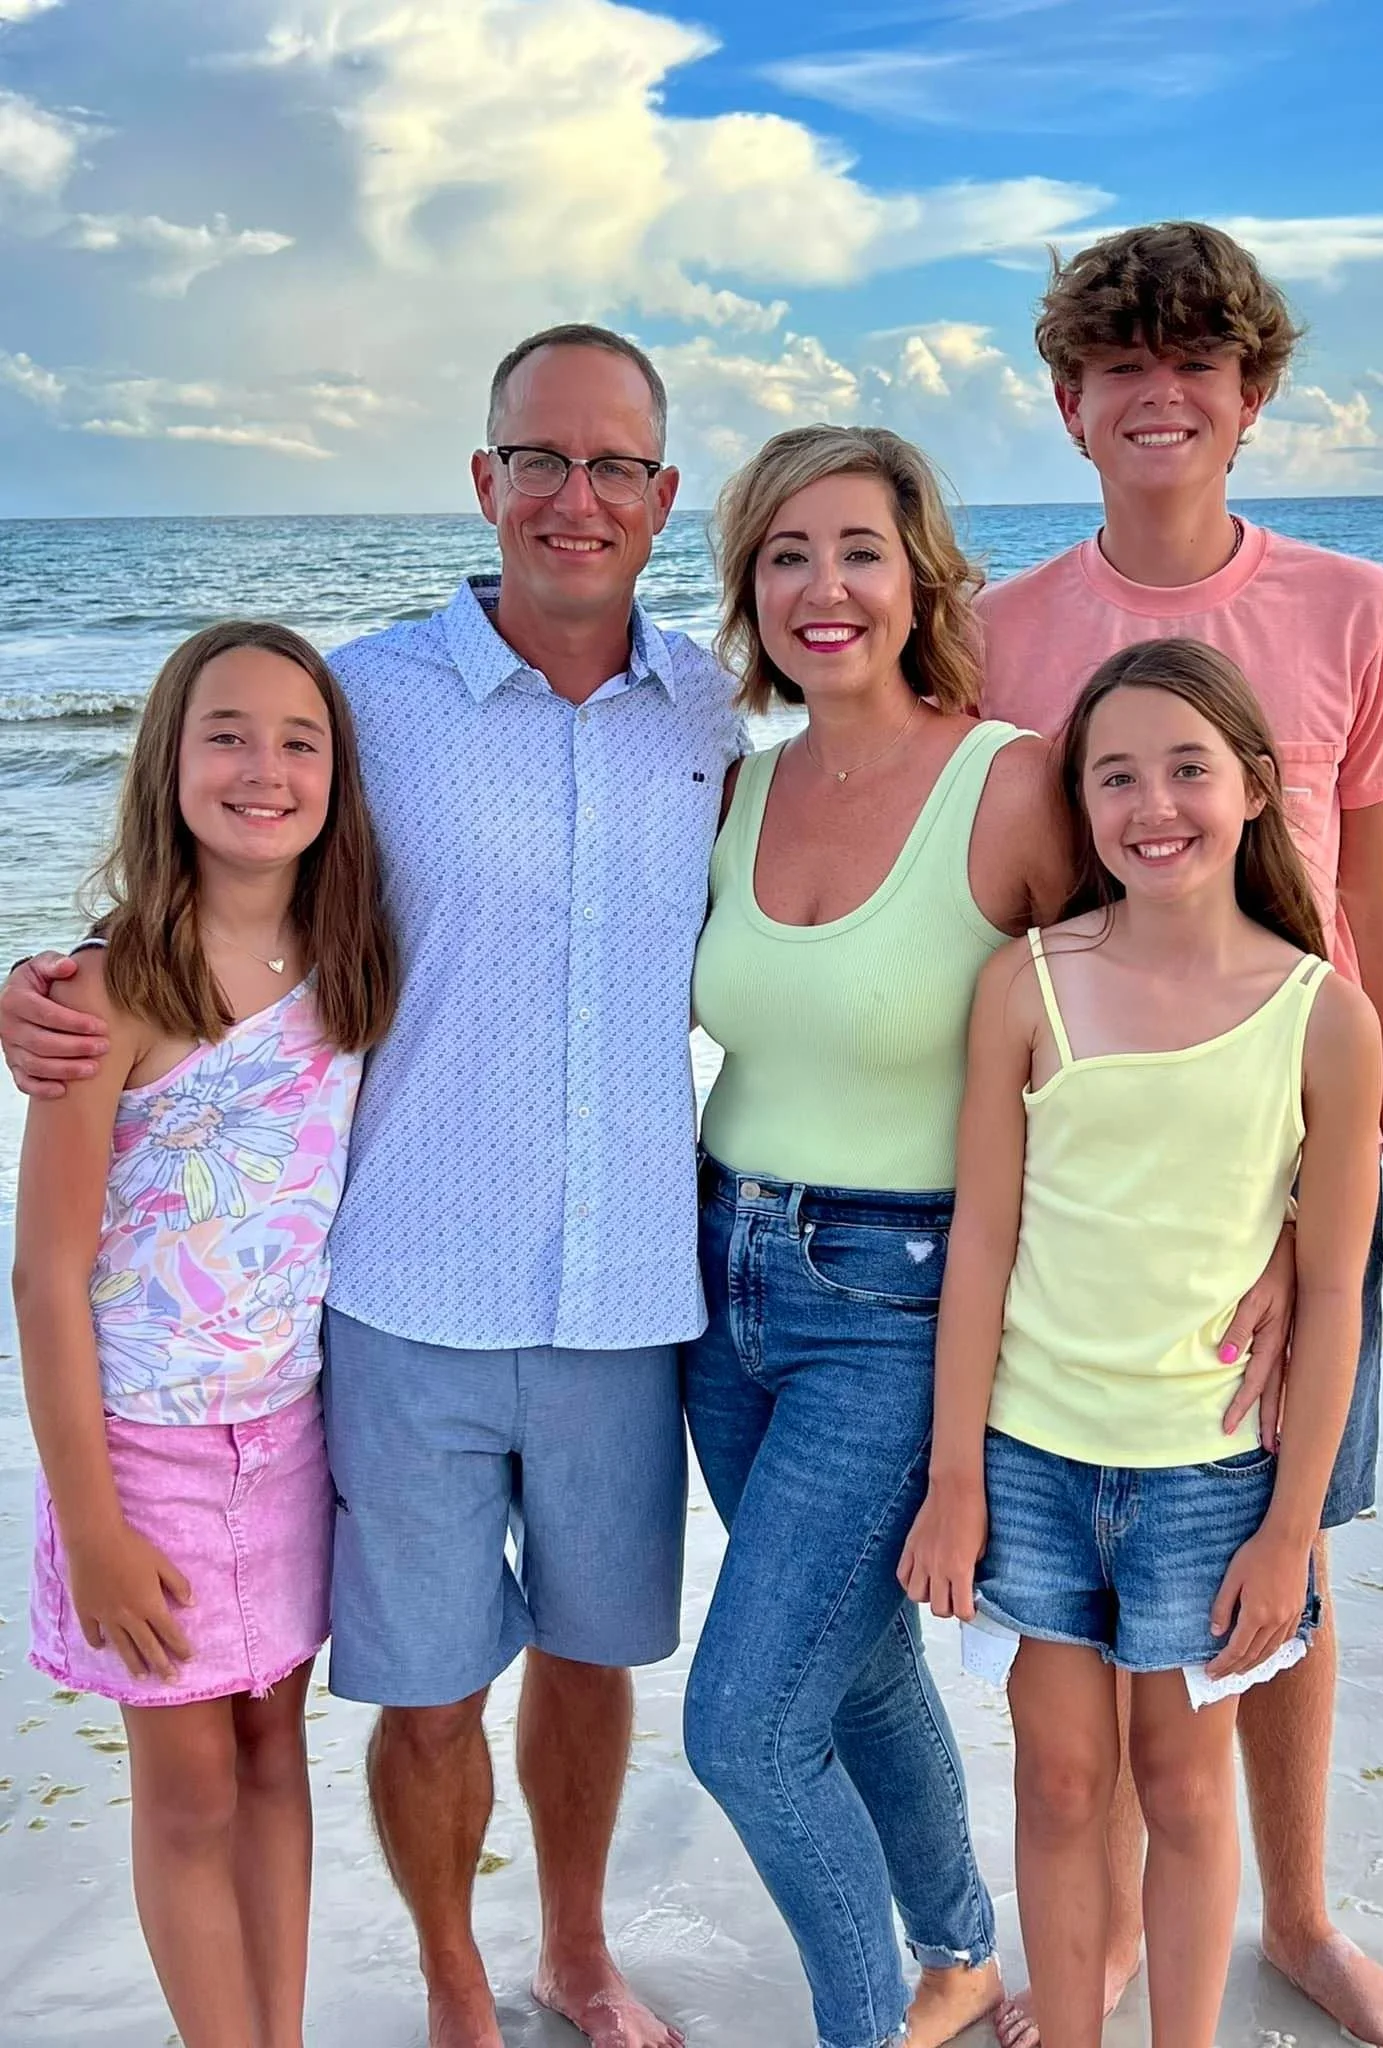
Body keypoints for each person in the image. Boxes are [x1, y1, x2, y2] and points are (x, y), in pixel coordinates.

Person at [0, 326, 744, 2048]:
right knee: (426, 1686)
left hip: (629, 1291)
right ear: (484, 480)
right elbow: (224, 872)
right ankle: (451, 1977)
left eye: (613, 465)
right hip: (397, 1295)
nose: (574, 496)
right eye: (540, 460)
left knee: (592, 1660)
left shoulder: (716, 711)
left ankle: (574, 1950)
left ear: (661, 498)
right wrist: (51, 992)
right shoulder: (363, 702)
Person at [683, 428, 1289, 2048]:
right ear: (748, 588)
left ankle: (864, 2022)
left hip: (900, 1300)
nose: (824, 587)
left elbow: (1188, 1002)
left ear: (922, 578)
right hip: (719, 1281)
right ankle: (957, 1954)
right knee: (858, 1653)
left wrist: (1296, 1232)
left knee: (745, 1730)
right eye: (787, 554)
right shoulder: (740, 786)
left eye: (860, 550)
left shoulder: (1014, 781)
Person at [975, 223, 1383, 2048]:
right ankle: (1105, 1939)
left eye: (1199, 361)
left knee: (1282, 1557)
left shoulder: (1359, 608)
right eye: (1121, 362)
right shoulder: (1001, 630)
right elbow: (1006, 928)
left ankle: (1304, 1920)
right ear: (1068, 402)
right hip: (1112, 1198)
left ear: (1254, 397)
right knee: (1090, 1612)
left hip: (1301, 1168)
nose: (1159, 391)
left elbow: (1374, 918)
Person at [901, 638, 1383, 2048]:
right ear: (1081, 804)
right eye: (1115, 776)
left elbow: (1332, 1290)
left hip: (1211, 1479)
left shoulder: (1322, 1015)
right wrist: (954, 1478)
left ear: (1254, 787)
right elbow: (981, 1242)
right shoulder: (1027, 985)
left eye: (1187, 769)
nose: (1152, 804)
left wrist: (1291, 1533)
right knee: (1058, 1786)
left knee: (1181, 1789)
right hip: (1032, 1461)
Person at [14, 621, 396, 2048]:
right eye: (225, 735)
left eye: (300, 742)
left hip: (285, 1434)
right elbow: (45, 1279)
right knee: (187, 1794)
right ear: (166, 762)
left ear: (337, 777)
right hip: (141, 1454)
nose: (264, 770)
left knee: (273, 1757)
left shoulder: (346, 963)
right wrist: (92, 1528)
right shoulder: (109, 990)